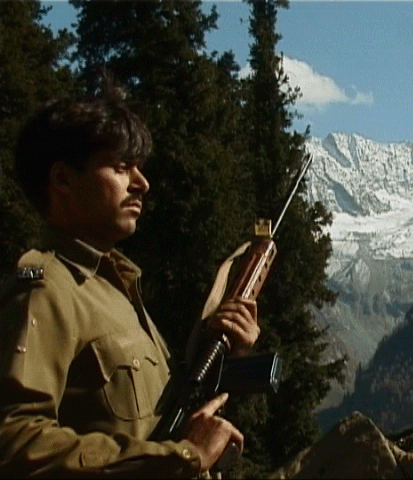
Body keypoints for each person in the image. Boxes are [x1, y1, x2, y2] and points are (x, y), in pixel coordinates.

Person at [0, 81, 260, 477]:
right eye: (121, 167)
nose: (142, 183)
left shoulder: (114, 290)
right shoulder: (45, 286)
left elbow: (149, 427)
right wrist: (182, 456)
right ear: (63, 179)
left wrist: (228, 356)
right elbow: (14, 440)